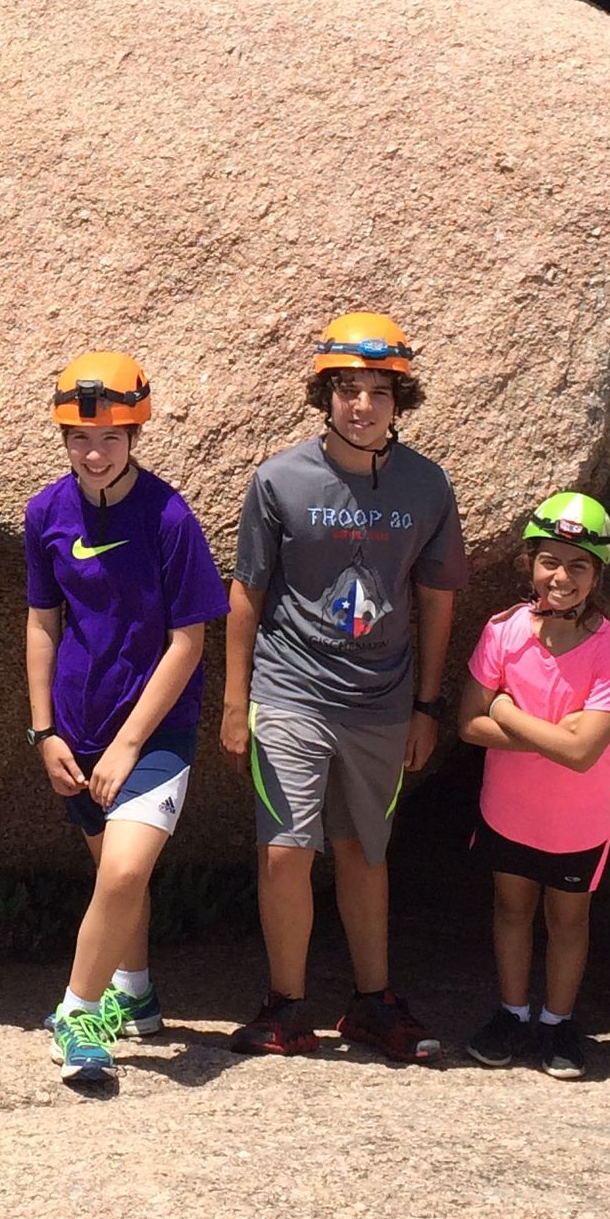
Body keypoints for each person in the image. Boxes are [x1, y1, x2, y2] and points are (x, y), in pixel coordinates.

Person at [221, 310, 467, 1062]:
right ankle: (286, 1005)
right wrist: (237, 701)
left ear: (401, 401)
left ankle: (371, 1002)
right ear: (324, 395)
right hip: (291, 690)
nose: (362, 405)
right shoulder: (279, 479)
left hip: (382, 701)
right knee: (287, 850)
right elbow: (246, 595)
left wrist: (428, 705)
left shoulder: (426, 486)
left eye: (379, 391)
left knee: (365, 851)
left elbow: (438, 598)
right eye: (347, 389)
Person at [24, 355, 228, 1091]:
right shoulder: (47, 512)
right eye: (81, 436)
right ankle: (135, 993)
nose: (95, 451)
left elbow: (190, 638)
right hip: (74, 731)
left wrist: (130, 744)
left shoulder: (170, 517)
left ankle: (78, 1015)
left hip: (152, 734)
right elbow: (42, 622)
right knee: (116, 882)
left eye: (111, 435)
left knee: (125, 869)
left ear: (135, 432)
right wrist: (43, 730)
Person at [458, 493, 610, 1081]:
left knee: (568, 921)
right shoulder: (504, 632)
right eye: (550, 561)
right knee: (511, 910)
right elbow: (468, 724)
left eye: (578, 566)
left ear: (597, 575)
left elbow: (583, 753)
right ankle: (512, 1013)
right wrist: (552, 736)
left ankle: (558, 1022)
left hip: (579, 824)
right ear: (530, 563)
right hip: (509, 812)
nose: (560, 577)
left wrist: (508, 712)